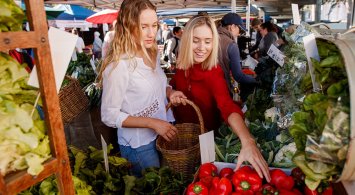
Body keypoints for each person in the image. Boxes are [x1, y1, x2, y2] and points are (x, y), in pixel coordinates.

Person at [169, 15, 271, 182]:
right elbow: (173, 84)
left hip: (206, 142)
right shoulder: (183, 66)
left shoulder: (213, 72)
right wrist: (170, 92)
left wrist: (248, 140)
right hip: (183, 138)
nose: (202, 47)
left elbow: (227, 105)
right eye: (196, 40)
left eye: (208, 41)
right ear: (187, 40)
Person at [98, 0, 186, 177]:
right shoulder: (118, 65)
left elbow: (158, 85)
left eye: (154, 25)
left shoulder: (151, 52)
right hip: (139, 145)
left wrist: (170, 92)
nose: (151, 33)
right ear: (128, 26)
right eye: (143, 26)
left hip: (161, 134)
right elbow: (109, 115)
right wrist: (152, 123)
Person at [217, 13, 257, 102]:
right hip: (221, 89)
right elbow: (238, 76)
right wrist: (256, 80)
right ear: (232, 26)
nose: (239, 34)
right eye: (239, 29)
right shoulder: (231, 44)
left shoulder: (210, 38)